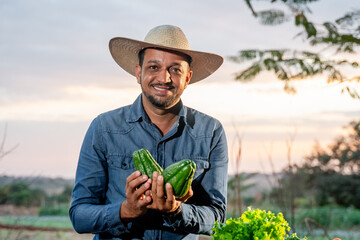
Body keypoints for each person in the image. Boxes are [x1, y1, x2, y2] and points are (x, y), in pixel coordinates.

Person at [69, 25, 228, 240]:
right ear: (138, 72)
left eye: (175, 69)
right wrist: (125, 211)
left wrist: (177, 211)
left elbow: (218, 217)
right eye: (154, 67)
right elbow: (79, 216)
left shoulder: (211, 132)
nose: (164, 78)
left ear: (187, 77)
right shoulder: (104, 128)